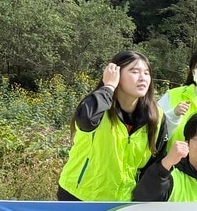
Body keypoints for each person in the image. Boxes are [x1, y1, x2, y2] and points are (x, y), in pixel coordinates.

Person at [58, 50, 167, 201]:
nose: (142, 78)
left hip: (122, 202)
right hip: (80, 197)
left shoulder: (156, 116)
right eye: (134, 71)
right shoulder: (98, 105)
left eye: (147, 73)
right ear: (116, 74)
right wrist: (108, 86)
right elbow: (85, 120)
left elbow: (153, 163)